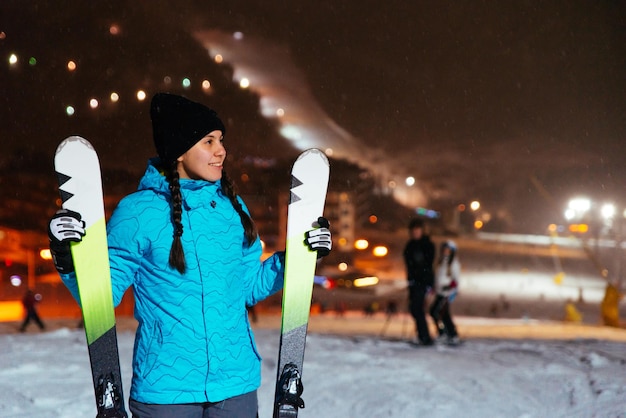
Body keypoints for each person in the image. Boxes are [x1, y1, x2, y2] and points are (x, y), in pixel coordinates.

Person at [48, 93, 332, 418]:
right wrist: (69, 257)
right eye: (208, 141)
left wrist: (299, 257)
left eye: (221, 140)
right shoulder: (139, 213)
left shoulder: (232, 208)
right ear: (180, 152)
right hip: (165, 391)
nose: (221, 150)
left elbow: (248, 286)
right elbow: (101, 295)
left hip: (235, 385)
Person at [403, 218, 435, 346]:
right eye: (413, 230)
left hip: (423, 282)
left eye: (418, 230)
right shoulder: (410, 245)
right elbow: (408, 264)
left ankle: (424, 336)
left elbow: (427, 264)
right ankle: (422, 334)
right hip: (413, 282)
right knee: (414, 309)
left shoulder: (427, 244)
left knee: (417, 308)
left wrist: (424, 280)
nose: (415, 232)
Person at [429, 240, 460, 345]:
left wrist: (450, 288)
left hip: (447, 293)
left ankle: (450, 334)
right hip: (440, 292)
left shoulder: (453, 263)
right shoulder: (441, 262)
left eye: (447, 250)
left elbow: (456, 279)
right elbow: (438, 277)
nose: (445, 252)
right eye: (444, 250)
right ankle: (446, 333)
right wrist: (434, 286)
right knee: (438, 312)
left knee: (439, 312)